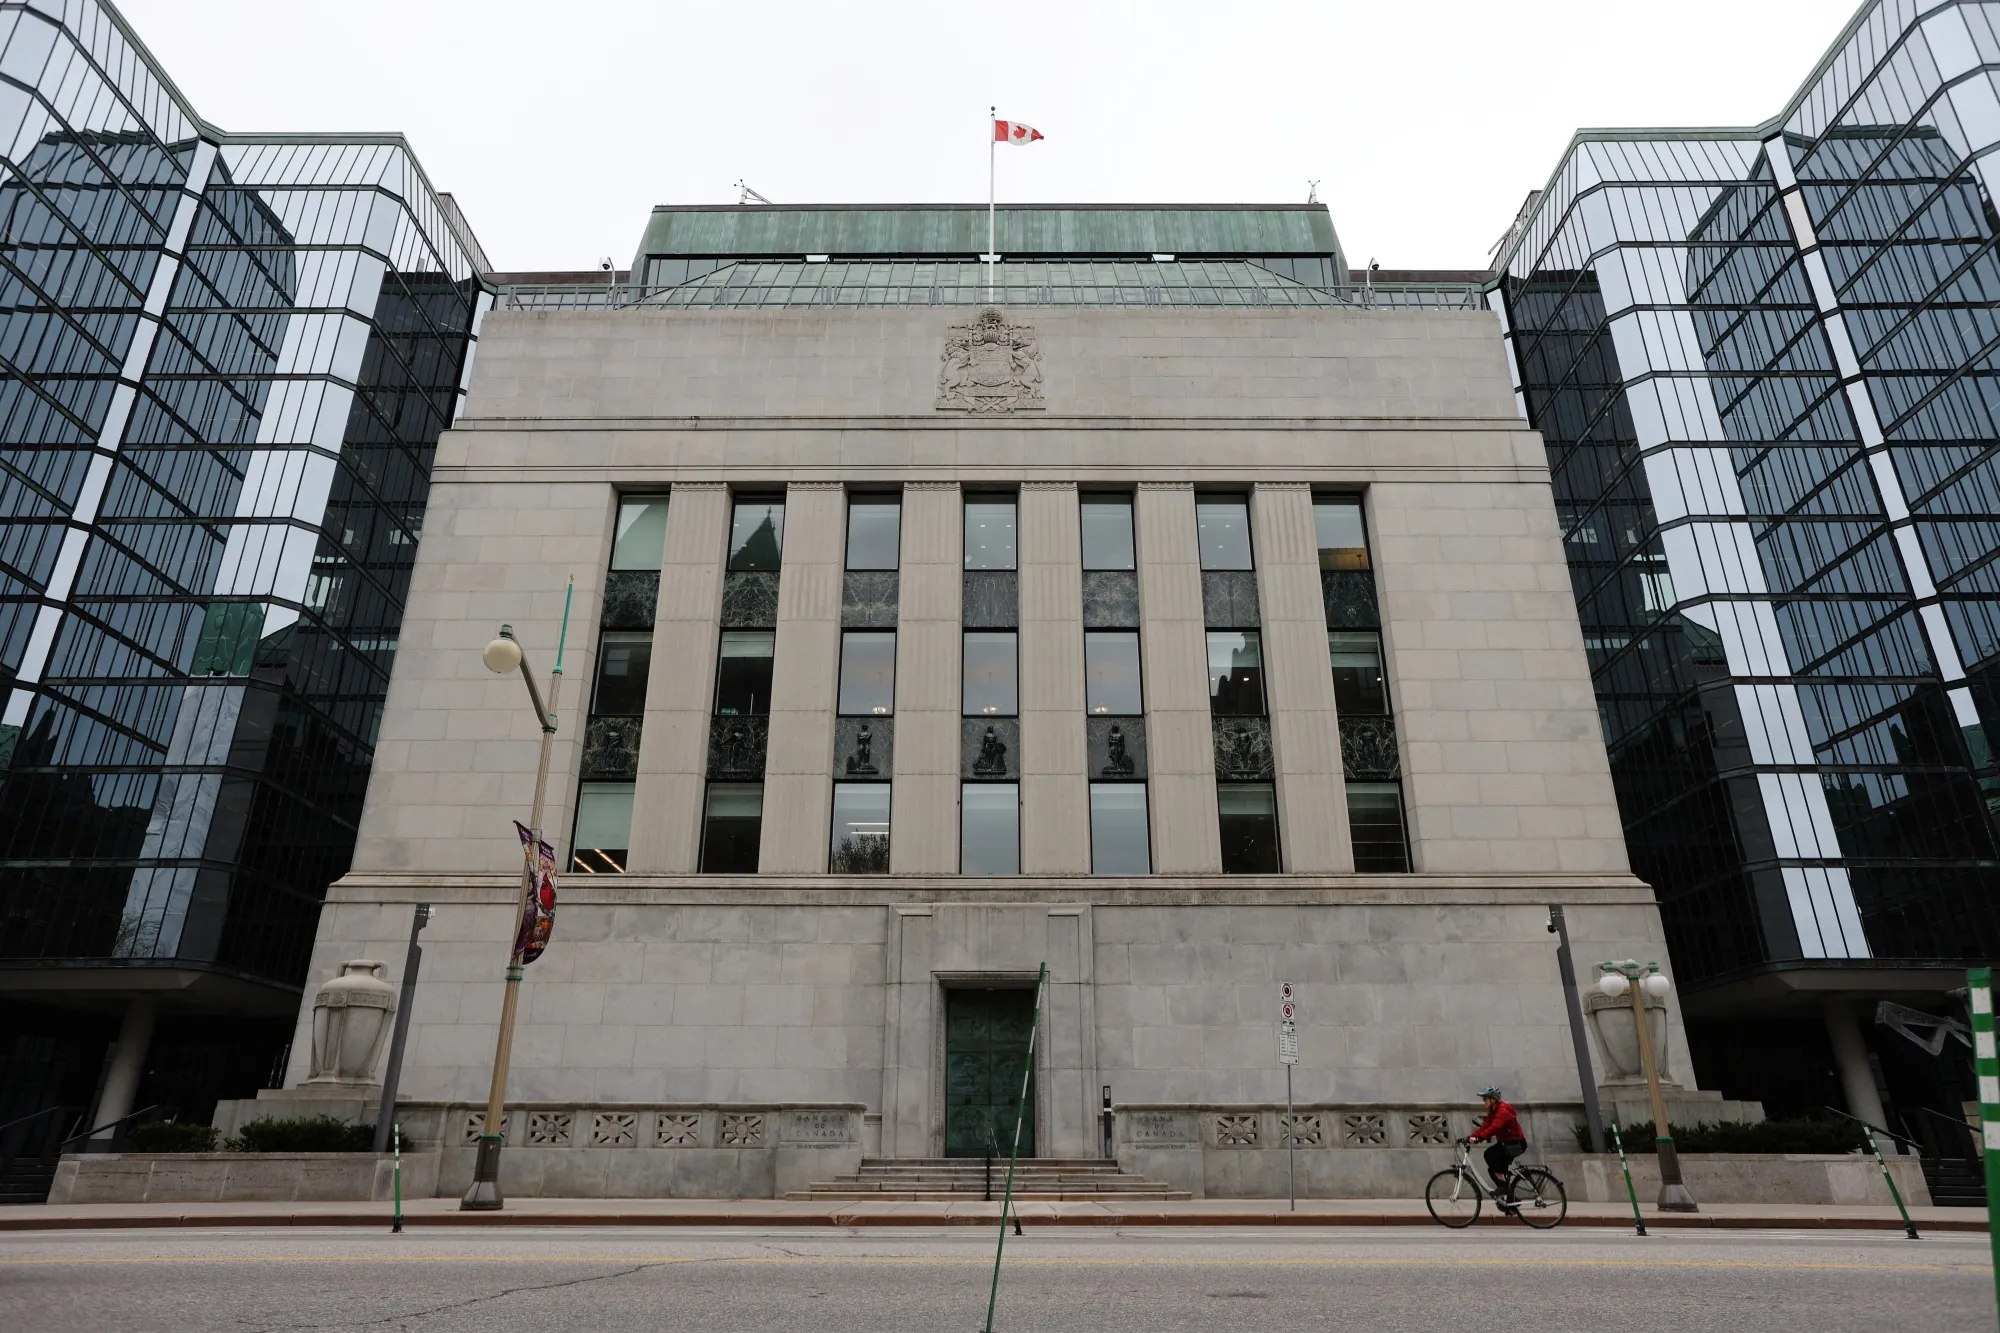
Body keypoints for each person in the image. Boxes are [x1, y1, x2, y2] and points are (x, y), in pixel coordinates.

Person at [1466, 1085, 1528, 1210]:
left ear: (1493, 1099)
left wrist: (1479, 1138)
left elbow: (1495, 1127)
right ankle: (1509, 1198)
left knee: (1490, 1154)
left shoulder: (1503, 1111)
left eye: (1485, 1099)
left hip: (1515, 1144)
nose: (1484, 1102)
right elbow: (1485, 1127)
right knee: (1493, 1170)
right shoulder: (1493, 1112)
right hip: (1506, 1143)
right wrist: (1470, 1137)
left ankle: (1505, 1189)